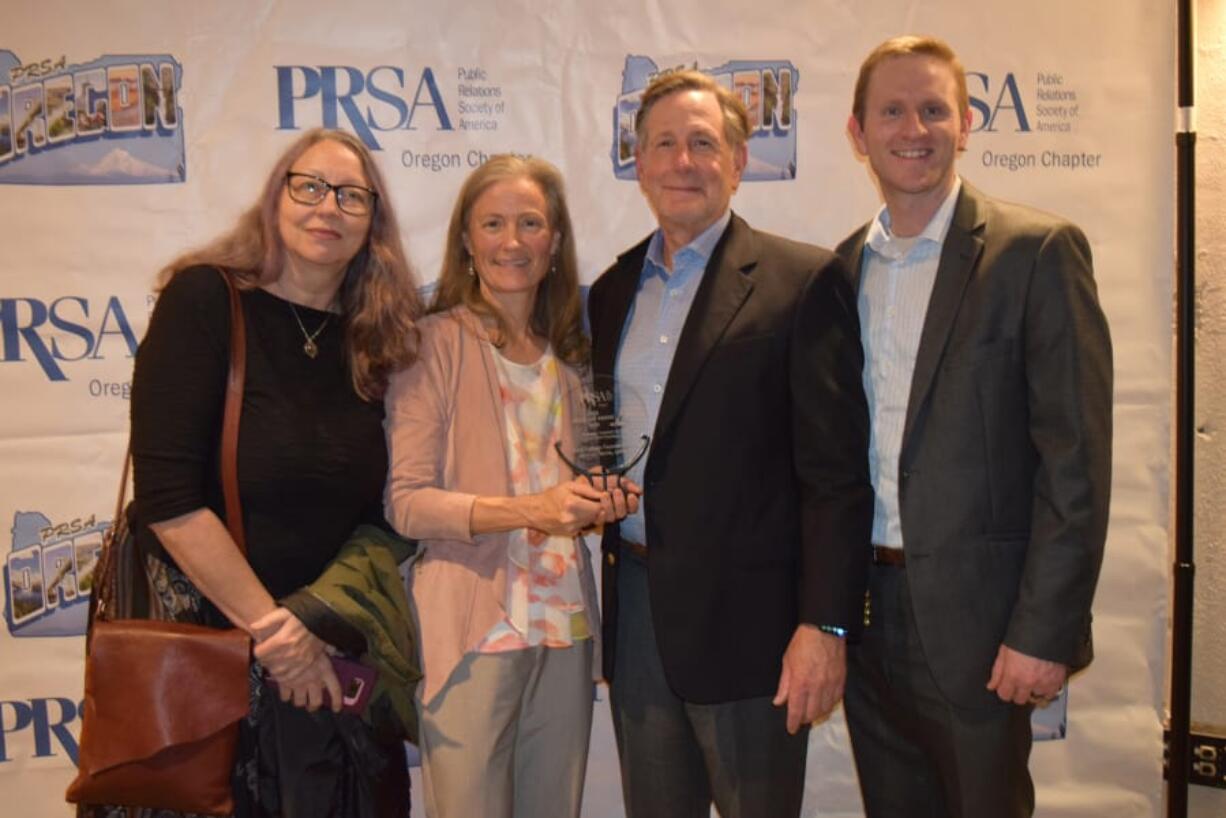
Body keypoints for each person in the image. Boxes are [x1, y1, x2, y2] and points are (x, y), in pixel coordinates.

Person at [837, 35, 1113, 817]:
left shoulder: (1037, 253)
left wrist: (1044, 630)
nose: (912, 129)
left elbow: (1076, 463)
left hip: (986, 628)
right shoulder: (843, 268)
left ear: (966, 123)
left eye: (933, 110)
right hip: (866, 619)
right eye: (891, 111)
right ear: (858, 133)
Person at [586, 70, 873, 818]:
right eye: (665, 144)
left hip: (757, 631)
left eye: (704, 144)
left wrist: (825, 625)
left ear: (739, 163)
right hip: (640, 614)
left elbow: (836, 477)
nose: (684, 161)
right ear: (640, 163)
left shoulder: (801, 281)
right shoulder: (613, 289)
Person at [118, 127, 422, 818]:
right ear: (275, 198)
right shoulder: (206, 301)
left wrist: (311, 626)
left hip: (334, 655)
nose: (328, 207)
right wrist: (275, 635)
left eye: (351, 195)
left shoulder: (379, 337)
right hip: (217, 660)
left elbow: (387, 511)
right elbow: (167, 500)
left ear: (373, 220)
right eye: (309, 186)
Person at [383, 154, 638, 818]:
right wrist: (537, 509)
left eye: (530, 223)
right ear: (466, 240)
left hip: (565, 625)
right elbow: (406, 503)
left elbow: (570, 499)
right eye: (492, 223)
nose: (512, 241)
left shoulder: (572, 356)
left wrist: (597, 505)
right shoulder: (432, 343)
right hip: (474, 629)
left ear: (555, 241)